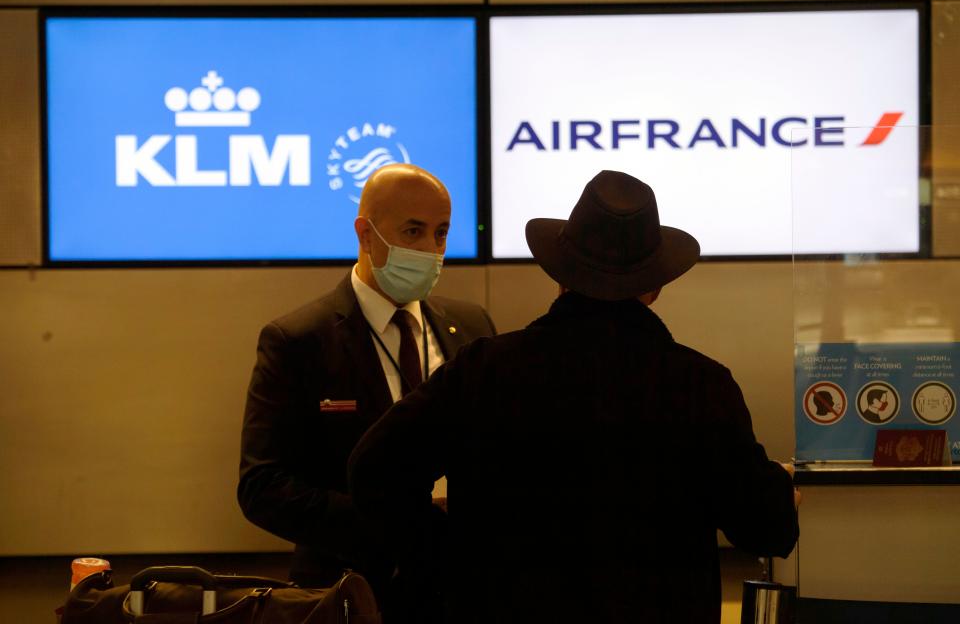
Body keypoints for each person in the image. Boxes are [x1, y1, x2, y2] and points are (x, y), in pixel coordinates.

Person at [348, 170, 800, 623]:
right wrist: (782, 492)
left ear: (559, 276)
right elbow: (766, 528)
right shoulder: (700, 385)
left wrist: (445, 549)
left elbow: (374, 468)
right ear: (654, 287)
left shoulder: (484, 371)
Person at [237, 164, 497, 612]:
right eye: (413, 231)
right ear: (366, 234)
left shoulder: (471, 326)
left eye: (441, 233)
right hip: (348, 592)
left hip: (461, 589)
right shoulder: (299, 340)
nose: (431, 250)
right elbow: (263, 487)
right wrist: (400, 524)